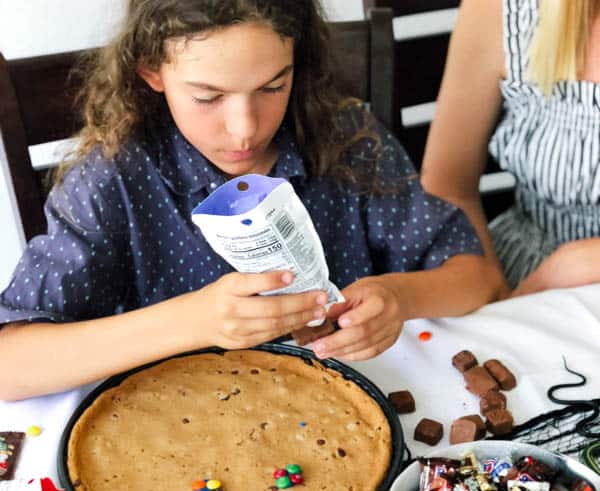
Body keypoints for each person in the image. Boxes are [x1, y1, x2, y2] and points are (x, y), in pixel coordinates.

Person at [0, 0, 506, 402]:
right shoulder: (112, 181)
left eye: (272, 86)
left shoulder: (346, 141)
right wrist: (192, 321)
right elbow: (10, 367)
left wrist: (399, 297)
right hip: (181, 433)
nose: (245, 129)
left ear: (296, 64)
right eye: (207, 97)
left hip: (345, 409)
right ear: (151, 71)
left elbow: (477, 278)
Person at [421, 0, 600, 296]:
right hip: (524, 278)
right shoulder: (499, 8)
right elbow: (448, 187)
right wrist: (496, 294)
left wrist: (581, 261)